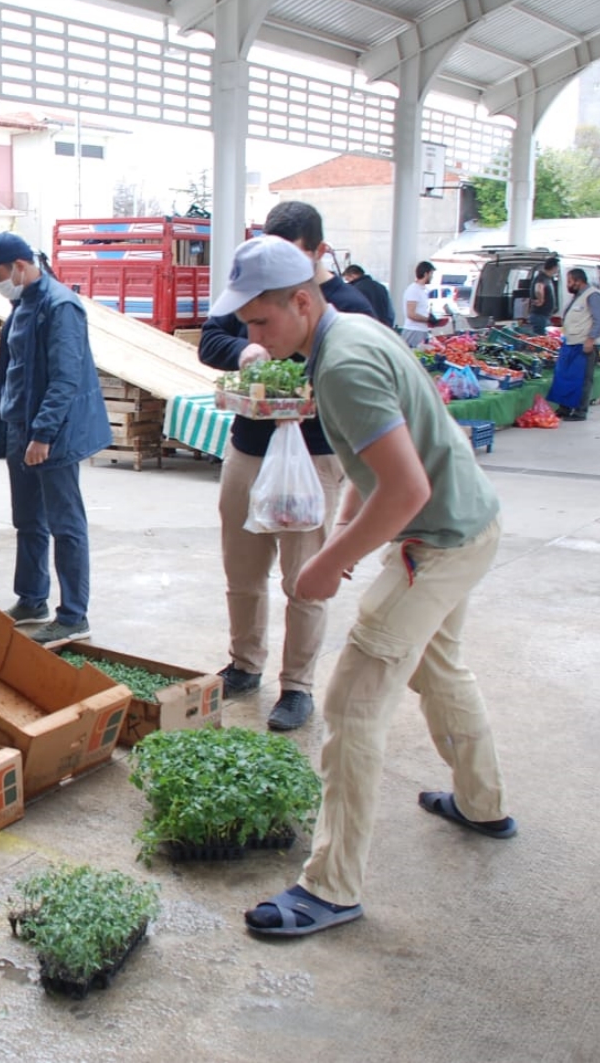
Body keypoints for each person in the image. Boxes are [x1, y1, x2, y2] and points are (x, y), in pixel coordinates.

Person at [207, 234, 511, 939]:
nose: (251, 337)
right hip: (467, 523)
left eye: (260, 322)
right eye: (245, 324)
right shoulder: (350, 331)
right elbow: (385, 466)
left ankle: (332, 887)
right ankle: (482, 802)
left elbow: (405, 487)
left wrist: (326, 561)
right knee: (439, 670)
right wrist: (348, 521)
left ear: (303, 302)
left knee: (351, 703)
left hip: (437, 542)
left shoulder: (341, 365)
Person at [198, 201, 375, 731]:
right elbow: (212, 338)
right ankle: (245, 664)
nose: (258, 325)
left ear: (317, 255)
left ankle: (297, 685)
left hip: (315, 457)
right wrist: (243, 351)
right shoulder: (256, 291)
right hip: (250, 447)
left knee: (305, 577)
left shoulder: (349, 310)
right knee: (243, 568)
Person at [0, 231, 112, 645]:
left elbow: (65, 378)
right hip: (21, 429)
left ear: (19, 265)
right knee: (28, 520)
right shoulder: (22, 305)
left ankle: (73, 614)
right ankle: (33, 598)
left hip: (52, 436)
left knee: (66, 525)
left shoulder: (60, 306)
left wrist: (43, 434)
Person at [548, 268, 600, 422]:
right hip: (570, 342)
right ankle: (565, 408)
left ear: (578, 281)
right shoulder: (577, 296)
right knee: (565, 376)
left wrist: (590, 340)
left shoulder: (593, 295)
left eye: (570, 282)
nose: (568, 285)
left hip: (585, 344)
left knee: (582, 379)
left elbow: (599, 320)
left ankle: (580, 411)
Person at [400, 261, 441, 348]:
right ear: (426, 274)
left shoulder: (422, 290)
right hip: (413, 331)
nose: (432, 277)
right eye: (431, 274)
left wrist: (429, 317)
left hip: (420, 331)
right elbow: (411, 314)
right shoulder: (414, 290)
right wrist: (428, 319)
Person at [527, 255, 560, 334]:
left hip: (543, 316)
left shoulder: (547, 278)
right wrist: (541, 299)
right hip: (540, 316)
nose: (557, 270)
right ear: (554, 267)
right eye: (557, 268)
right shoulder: (542, 277)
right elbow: (538, 288)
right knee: (540, 341)